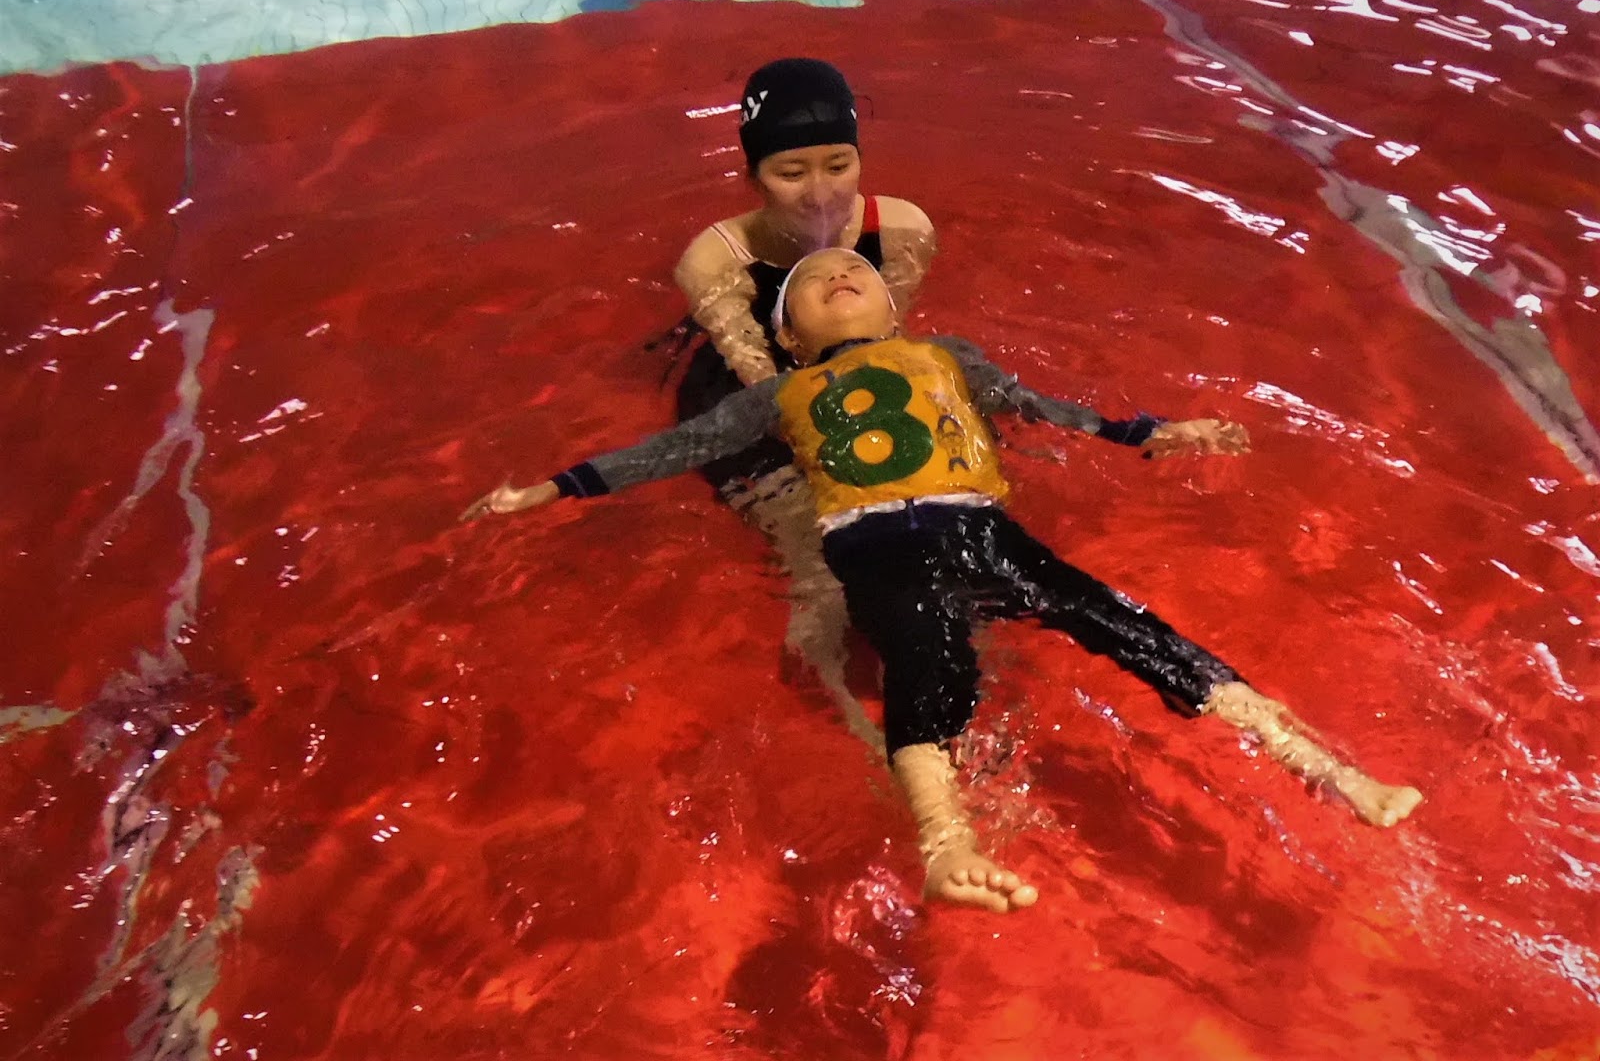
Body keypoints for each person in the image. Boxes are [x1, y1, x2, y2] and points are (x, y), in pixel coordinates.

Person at [464, 249, 1424, 915]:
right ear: (789, 338)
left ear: (896, 311)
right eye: (812, 283)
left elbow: (1043, 407)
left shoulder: (949, 357)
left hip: (985, 530)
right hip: (874, 546)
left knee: (1129, 625)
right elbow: (675, 448)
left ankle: (1328, 770)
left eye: (855, 271)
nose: (838, 274)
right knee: (930, 676)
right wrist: (548, 489)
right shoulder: (779, 394)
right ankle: (947, 844)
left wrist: (1151, 433)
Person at [668, 58, 936, 749]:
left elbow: (885, 335)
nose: (821, 193)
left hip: (854, 379)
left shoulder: (902, 229)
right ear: (752, 176)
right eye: (791, 172)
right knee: (818, 563)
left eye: (839, 165)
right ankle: (856, 730)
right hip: (747, 399)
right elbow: (766, 388)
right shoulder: (714, 261)